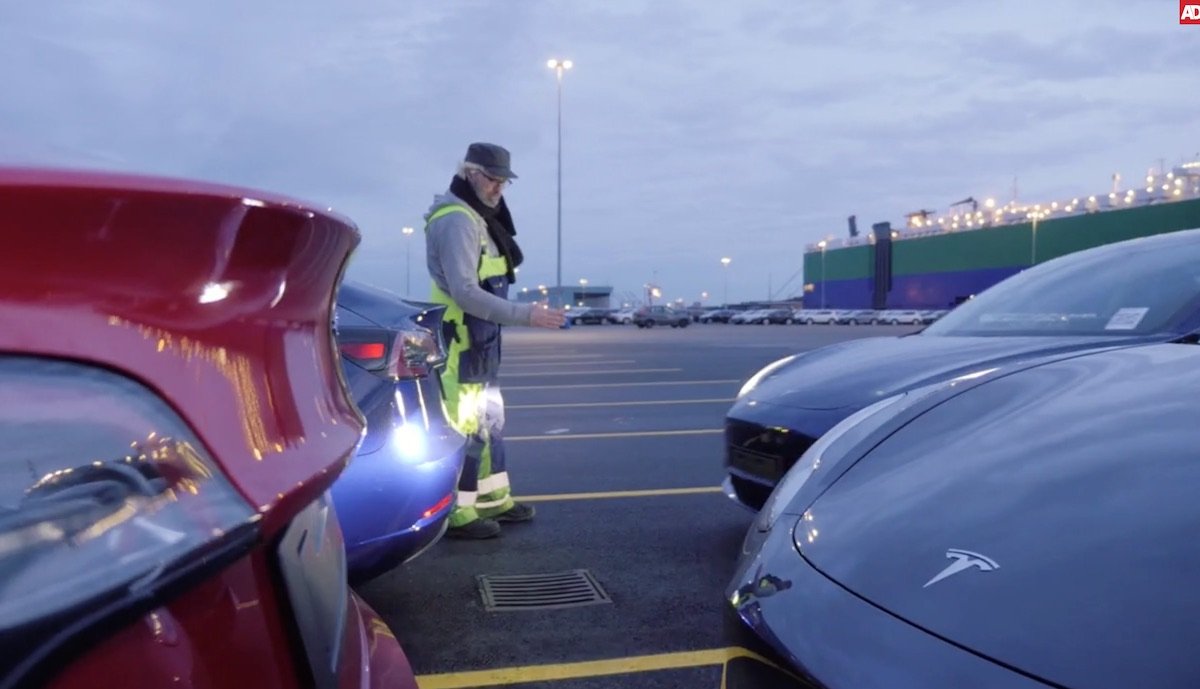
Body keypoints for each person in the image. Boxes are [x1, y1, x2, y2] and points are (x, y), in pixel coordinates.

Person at [423, 142, 566, 539]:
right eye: (492, 178)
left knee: (489, 421)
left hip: (482, 339)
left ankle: (491, 499)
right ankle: (457, 512)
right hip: (462, 340)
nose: (498, 187)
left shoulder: (479, 217)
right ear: (470, 172)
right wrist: (527, 315)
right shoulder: (458, 220)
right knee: (465, 424)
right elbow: (465, 292)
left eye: (504, 181)